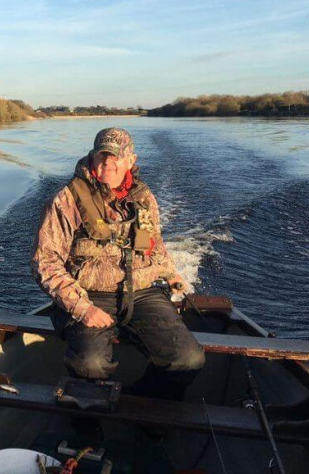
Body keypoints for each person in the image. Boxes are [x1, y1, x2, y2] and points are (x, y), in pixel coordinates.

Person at [31, 128, 204, 400]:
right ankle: (87, 428)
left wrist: (170, 273)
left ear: (130, 160)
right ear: (93, 157)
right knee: (91, 364)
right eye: (103, 156)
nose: (108, 163)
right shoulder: (66, 200)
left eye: (116, 157)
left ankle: (144, 403)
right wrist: (82, 308)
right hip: (89, 295)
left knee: (188, 358)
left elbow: (153, 243)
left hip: (143, 291)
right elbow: (46, 262)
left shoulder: (143, 197)